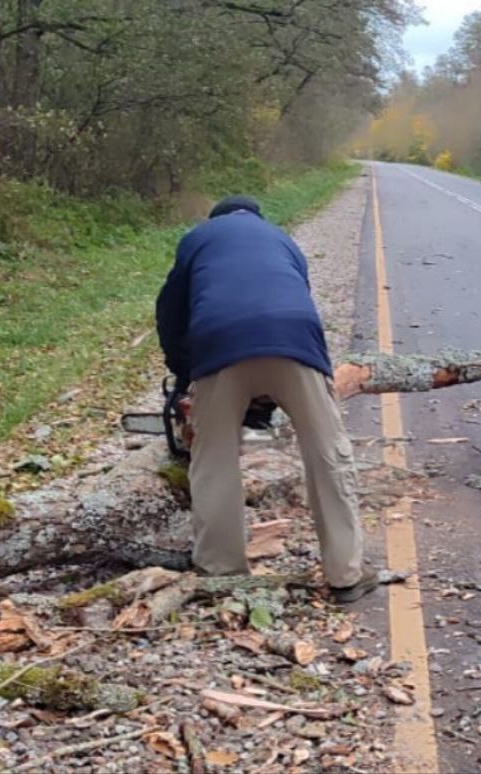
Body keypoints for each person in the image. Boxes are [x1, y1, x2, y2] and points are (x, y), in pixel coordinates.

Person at [155, 195, 378, 603]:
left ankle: (220, 572)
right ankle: (346, 572)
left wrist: (186, 375)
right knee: (328, 451)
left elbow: (169, 313)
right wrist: (272, 396)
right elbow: (293, 297)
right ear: (255, 216)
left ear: (217, 218)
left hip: (217, 341)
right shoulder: (282, 239)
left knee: (213, 459)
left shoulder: (198, 238)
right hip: (296, 337)